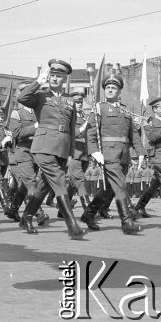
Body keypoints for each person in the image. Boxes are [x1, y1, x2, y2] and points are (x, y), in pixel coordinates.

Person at [16, 59, 84, 239]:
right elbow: (21, 98)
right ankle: (72, 223)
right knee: (60, 181)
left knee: (43, 186)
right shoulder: (40, 95)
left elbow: (71, 127)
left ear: (64, 78)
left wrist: (70, 154)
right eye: (52, 75)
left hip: (62, 148)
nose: (54, 78)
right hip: (44, 146)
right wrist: (39, 81)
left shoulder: (70, 100)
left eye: (58, 76)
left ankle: (27, 217)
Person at [84, 73, 146, 235]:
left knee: (109, 189)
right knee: (120, 185)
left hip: (124, 154)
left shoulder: (125, 111)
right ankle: (126, 222)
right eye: (108, 88)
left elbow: (134, 134)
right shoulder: (99, 108)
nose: (110, 90)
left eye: (114, 88)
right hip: (108, 152)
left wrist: (140, 152)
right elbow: (91, 132)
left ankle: (89, 214)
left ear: (119, 92)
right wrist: (94, 151)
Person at [7, 81, 49, 226]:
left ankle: (13, 209)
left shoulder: (40, 112)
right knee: (32, 182)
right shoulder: (16, 113)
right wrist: (35, 127)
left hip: (37, 151)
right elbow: (16, 134)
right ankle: (38, 213)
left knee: (24, 186)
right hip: (22, 151)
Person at [66, 91, 99, 230]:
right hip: (73, 153)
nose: (78, 105)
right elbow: (71, 133)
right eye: (76, 102)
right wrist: (83, 127)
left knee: (74, 183)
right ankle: (87, 211)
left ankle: (63, 209)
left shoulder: (85, 116)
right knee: (80, 181)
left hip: (85, 154)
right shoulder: (67, 117)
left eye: (80, 102)